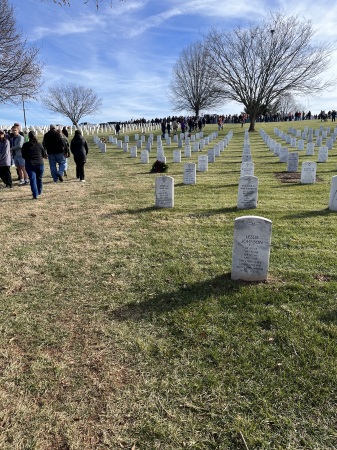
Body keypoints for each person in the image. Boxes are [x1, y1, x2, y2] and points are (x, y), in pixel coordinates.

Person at [22, 131, 47, 199]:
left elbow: (23, 155)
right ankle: (39, 191)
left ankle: (35, 194)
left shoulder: (25, 145)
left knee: (32, 180)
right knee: (39, 178)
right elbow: (43, 154)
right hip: (39, 163)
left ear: (28, 137)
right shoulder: (39, 145)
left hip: (30, 164)